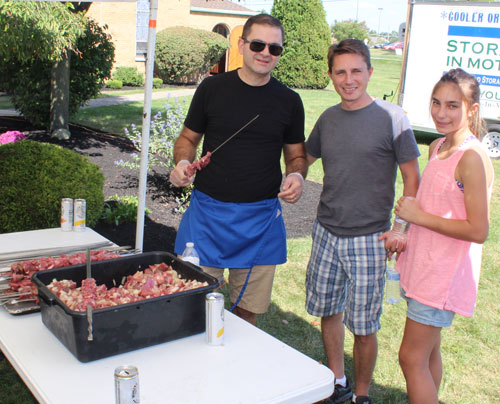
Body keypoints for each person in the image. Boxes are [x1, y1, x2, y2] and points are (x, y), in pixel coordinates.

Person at [169, 14, 307, 326]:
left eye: (275, 49)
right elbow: (188, 139)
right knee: (195, 310)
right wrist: (181, 163)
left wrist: (297, 175)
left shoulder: (289, 101)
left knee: (247, 316)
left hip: (260, 221)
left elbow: (297, 155)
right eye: (258, 44)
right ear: (242, 45)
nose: (265, 53)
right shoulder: (212, 88)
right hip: (207, 218)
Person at [304, 39, 421, 404]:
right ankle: (337, 380)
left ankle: (362, 394)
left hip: (370, 238)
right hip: (326, 231)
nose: (348, 79)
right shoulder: (328, 119)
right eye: (340, 72)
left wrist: (401, 227)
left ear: (370, 71)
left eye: (356, 70)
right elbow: (303, 159)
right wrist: (293, 175)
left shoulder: (392, 118)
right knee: (328, 311)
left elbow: (412, 179)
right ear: (331, 76)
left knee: (365, 325)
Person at [395, 68, 494, 404]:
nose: (441, 112)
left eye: (453, 105)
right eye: (436, 103)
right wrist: (408, 230)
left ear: (472, 110)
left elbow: (478, 230)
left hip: (442, 276)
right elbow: (435, 203)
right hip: (423, 267)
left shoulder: (471, 159)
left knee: (410, 358)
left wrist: (418, 216)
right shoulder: (437, 146)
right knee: (427, 355)